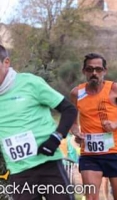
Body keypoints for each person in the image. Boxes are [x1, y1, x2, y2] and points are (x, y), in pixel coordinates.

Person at [0, 45, 77, 200]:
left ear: (6, 62)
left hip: (49, 164)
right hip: (19, 172)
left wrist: (56, 138)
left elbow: (69, 110)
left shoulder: (30, 83)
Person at [70, 53, 117, 200]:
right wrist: (76, 133)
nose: (94, 73)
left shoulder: (115, 89)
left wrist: (116, 124)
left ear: (105, 71)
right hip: (90, 155)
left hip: (114, 152)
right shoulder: (76, 93)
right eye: (90, 69)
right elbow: (73, 122)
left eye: (98, 69)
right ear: (84, 71)